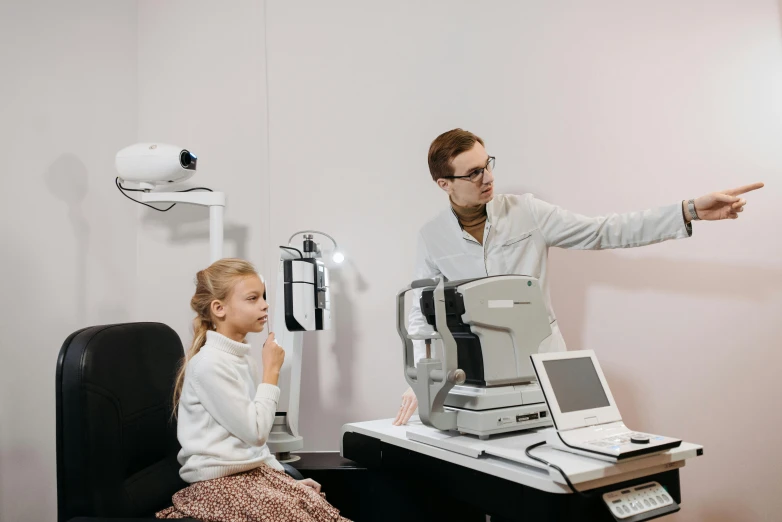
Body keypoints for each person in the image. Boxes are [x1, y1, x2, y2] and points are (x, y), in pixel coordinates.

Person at [394, 128, 764, 426]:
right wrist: (423, 380)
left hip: (545, 364)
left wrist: (689, 210)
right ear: (445, 183)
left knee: (563, 468)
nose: (488, 177)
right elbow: (421, 313)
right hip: (478, 374)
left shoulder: (527, 211)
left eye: (487, 164)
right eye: (473, 172)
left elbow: (606, 230)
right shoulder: (432, 236)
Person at [157, 258, 350, 522]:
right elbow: (256, 432)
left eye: (264, 297)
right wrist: (272, 371)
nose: (265, 304)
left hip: (249, 475)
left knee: (318, 508)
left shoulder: (242, 360)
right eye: (252, 298)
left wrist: (284, 479)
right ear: (219, 308)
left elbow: (253, 448)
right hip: (218, 485)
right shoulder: (209, 364)